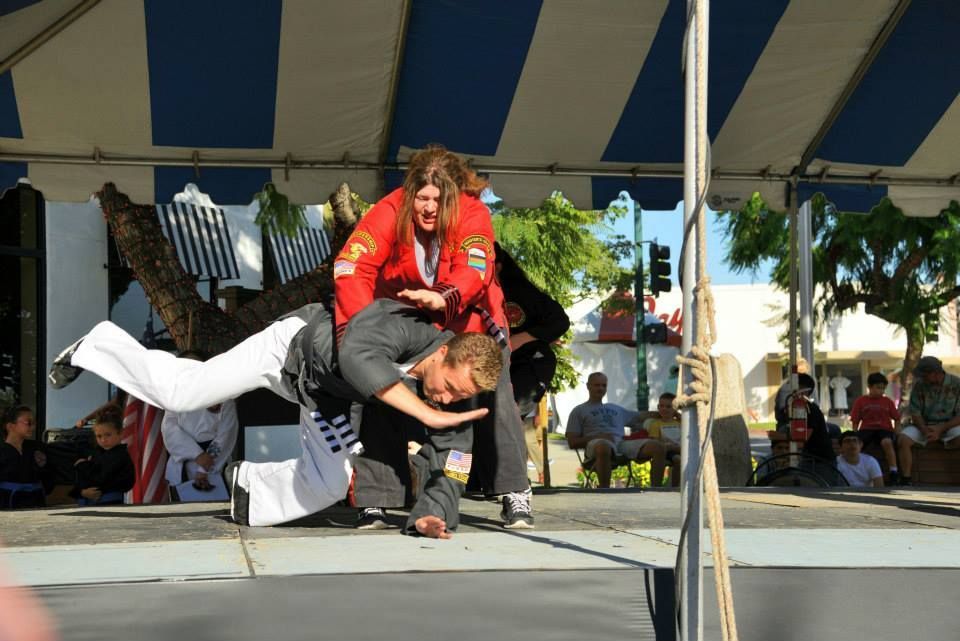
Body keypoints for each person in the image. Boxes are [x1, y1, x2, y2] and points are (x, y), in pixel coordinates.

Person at [49, 299, 498, 537]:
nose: (447, 399)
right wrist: (422, 411)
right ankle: (98, 345)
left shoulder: (456, 398)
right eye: (450, 386)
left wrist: (433, 512)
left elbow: (456, 460)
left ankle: (248, 491)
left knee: (327, 483)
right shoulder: (403, 326)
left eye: (461, 396)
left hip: (324, 396)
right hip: (287, 350)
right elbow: (354, 358)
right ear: (442, 353)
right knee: (182, 393)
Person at [333, 144, 532, 529]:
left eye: (438, 200)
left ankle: (514, 490)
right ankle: (376, 498)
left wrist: (444, 296)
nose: (427, 207)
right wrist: (362, 334)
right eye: (421, 197)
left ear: (455, 197)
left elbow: (476, 268)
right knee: (380, 391)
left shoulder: (474, 214)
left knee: (494, 392)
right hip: (404, 320)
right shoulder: (389, 210)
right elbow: (351, 266)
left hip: (467, 317)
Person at [494, 242, 570, 481]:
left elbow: (559, 320)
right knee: (484, 418)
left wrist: (522, 338)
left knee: (510, 415)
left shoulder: (520, 290)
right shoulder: (465, 293)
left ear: (497, 265)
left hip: (530, 363)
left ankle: (513, 480)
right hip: (493, 366)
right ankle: (476, 479)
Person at [565, 373, 665, 488]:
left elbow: (641, 416)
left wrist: (669, 413)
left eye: (604, 385)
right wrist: (599, 436)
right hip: (596, 445)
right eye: (597, 385)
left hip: (621, 444)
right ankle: (604, 490)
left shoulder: (615, 408)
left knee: (658, 446)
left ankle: (657, 489)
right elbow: (572, 442)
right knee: (603, 445)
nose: (601, 388)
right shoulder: (579, 411)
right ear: (588, 386)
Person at [160, 350, 239, 495]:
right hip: (184, 463)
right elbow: (169, 430)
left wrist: (204, 467)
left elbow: (226, 434)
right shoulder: (174, 398)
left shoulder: (223, 396)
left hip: (215, 463)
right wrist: (196, 454)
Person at [897, 356, 960, 485]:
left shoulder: (957, 384)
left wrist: (941, 429)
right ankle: (906, 479)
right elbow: (915, 412)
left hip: (950, 425)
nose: (922, 378)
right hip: (923, 426)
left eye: (924, 375)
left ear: (936, 373)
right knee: (903, 439)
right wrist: (925, 430)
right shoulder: (919, 385)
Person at [70, 406, 135, 505]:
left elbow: (100, 479)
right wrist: (81, 492)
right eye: (99, 436)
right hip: (87, 504)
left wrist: (82, 465)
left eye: (108, 435)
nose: (103, 440)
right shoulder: (95, 454)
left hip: (110, 503)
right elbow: (80, 480)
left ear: (120, 434)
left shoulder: (119, 456)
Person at [849, 372, 901, 484]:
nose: (881, 391)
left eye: (883, 388)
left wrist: (897, 431)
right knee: (858, 444)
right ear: (870, 387)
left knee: (887, 442)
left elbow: (897, 417)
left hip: (884, 429)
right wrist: (855, 433)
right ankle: (854, 468)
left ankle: (893, 471)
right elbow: (855, 419)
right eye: (878, 388)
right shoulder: (861, 401)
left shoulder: (887, 401)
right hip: (867, 429)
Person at [0, 406, 51, 509]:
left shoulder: (38, 448)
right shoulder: (2, 450)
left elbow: (48, 476)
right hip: (7, 502)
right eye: (28, 423)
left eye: (34, 423)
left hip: (36, 502)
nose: (33, 427)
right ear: (10, 426)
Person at [642, 392, 682, 486]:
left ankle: (678, 485)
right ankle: (674, 486)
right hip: (666, 451)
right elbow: (654, 441)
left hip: (680, 448)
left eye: (668, 407)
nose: (664, 409)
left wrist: (679, 416)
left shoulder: (680, 423)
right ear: (658, 407)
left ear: (675, 409)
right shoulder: (656, 424)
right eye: (662, 406)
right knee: (678, 459)